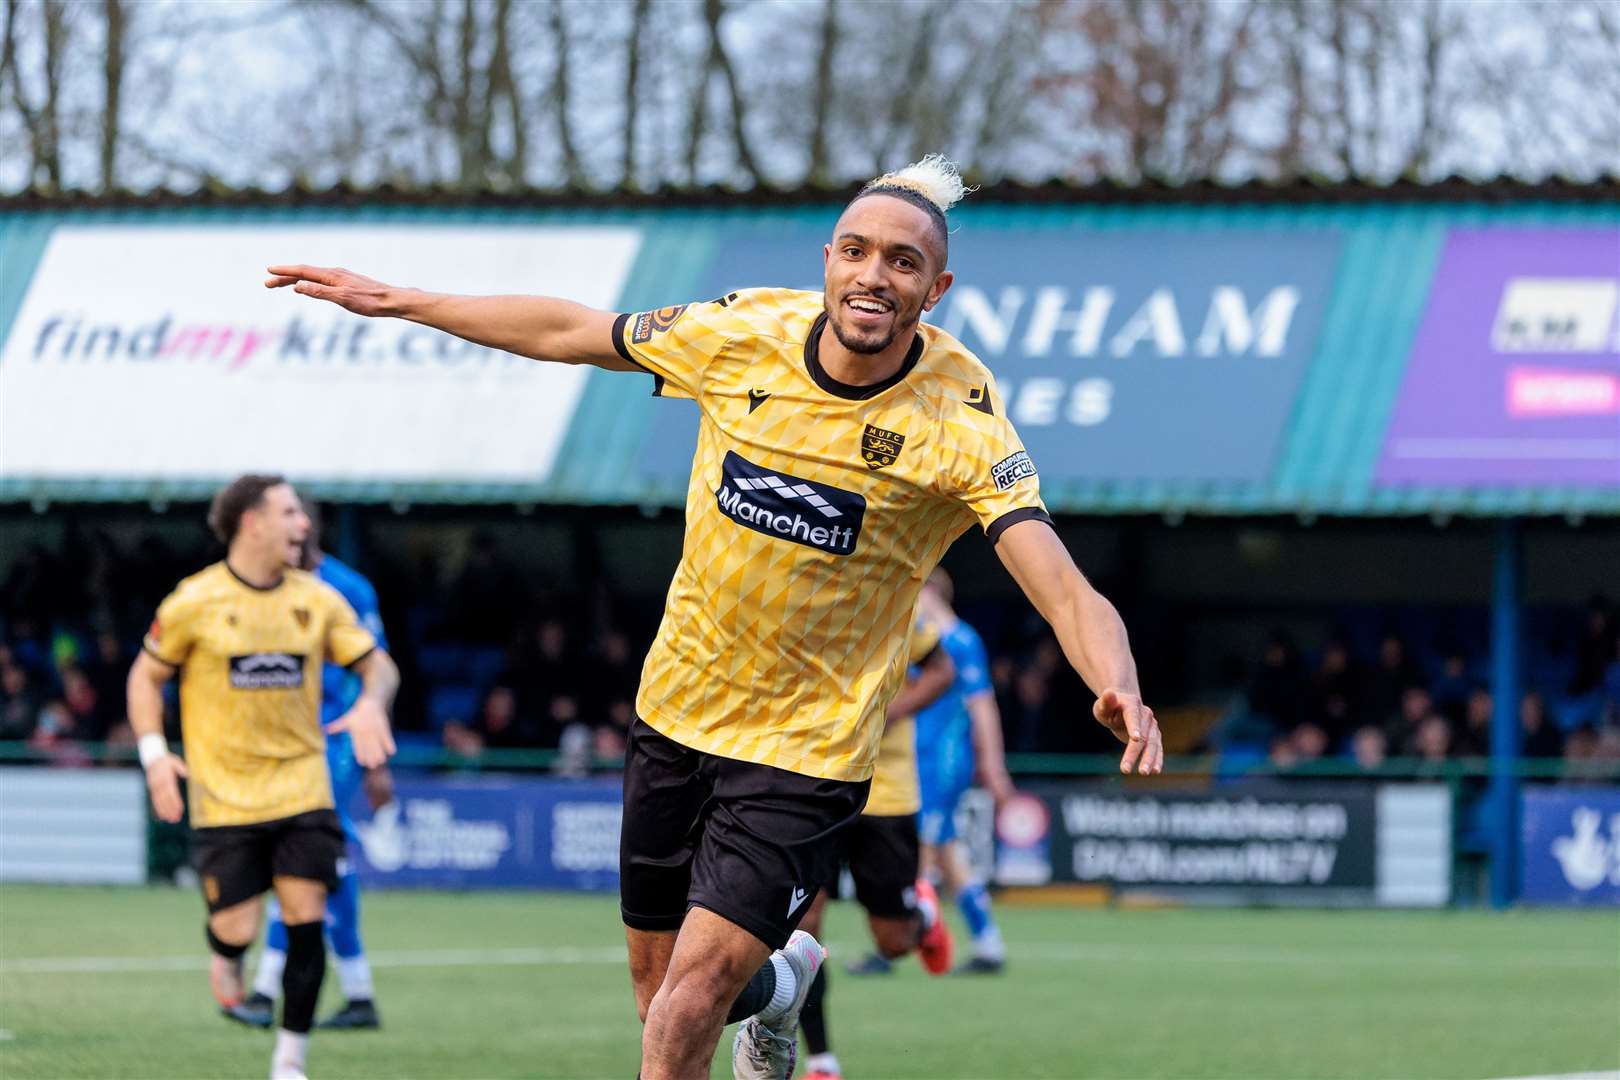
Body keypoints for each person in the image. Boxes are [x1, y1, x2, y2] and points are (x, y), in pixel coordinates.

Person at [267, 154, 1162, 1080]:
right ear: (827, 260)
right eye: (854, 251)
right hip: (678, 710)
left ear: (933, 290)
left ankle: (764, 988)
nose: (872, 275)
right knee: (662, 1001)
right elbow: (573, 329)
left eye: (900, 263)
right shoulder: (740, 334)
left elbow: (1057, 579)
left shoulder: (962, 422)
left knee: (686, 1006)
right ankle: (780, 988)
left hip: (808, 747)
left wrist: (1116, 679)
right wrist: (408, 301)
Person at [127, 475, 398, 1080]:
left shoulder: (321, 599)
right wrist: (154, 755)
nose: (304, 526)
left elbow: (377, 665)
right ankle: (225, 959)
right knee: (237, 928)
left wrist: (374, 701)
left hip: (304, 786)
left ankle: (290, 1061)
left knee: (306, 918)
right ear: (251, 522)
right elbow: (144, 677)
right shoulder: (192, 602)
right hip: (224, 800)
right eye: (290, 514)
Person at [242, 515, 395, 1030]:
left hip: (340, 740)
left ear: (305, 534)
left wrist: (377, 758)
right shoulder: (269, 586)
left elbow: (377, 671)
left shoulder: (348, 588)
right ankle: (358, 994)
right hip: (289, 743)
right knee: (323, 859)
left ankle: (266, 990)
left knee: (303, 847)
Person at [796, 619, 957, 1080]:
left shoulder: (900, 602)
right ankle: (821, 1061)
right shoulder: (802, 600)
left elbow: (943, 671)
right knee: (802, 928)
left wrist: (891, 712)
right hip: (815, 787)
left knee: (893, 942)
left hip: (886, 794)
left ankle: (921, 918)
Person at [912, 568, 1016, 975]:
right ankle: (988, 941)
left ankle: (901, 943)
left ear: (931, 592)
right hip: (917, 762)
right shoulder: (917, 640)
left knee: (921, 851)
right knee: (946, 852)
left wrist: (993, 765)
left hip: (944, 763)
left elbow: (982, 705)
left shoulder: (960, 641)